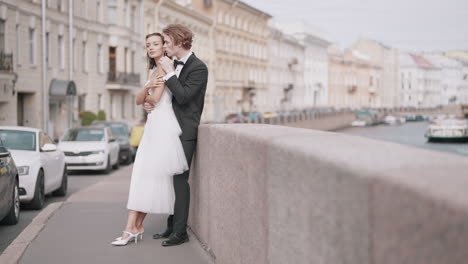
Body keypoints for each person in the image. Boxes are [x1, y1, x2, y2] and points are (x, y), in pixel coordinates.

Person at [111, 32, 189, 246]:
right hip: (153, 125)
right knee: (143, 176)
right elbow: (140, 100)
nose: (151, 47)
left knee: (147, 176)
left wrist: (147, 94)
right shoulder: (154, 70)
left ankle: (132, 228)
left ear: (164, 46)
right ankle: (133, 227)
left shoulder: (165, 66)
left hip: (163, 126)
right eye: (148, 45)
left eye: (156, 43)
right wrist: (147, 89)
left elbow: (154, 99)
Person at [145, 24, 208, 247]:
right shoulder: (170, 64)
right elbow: (166, 98)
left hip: (185, 132)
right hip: (169, 129)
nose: (164, 46)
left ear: (180, 42)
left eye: (167, 42)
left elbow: (183, 98)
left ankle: (181, 232)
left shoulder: (198, 68)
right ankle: (172, 226)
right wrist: (150, 103)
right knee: (169, 180)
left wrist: (171, 72)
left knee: (180, 181)